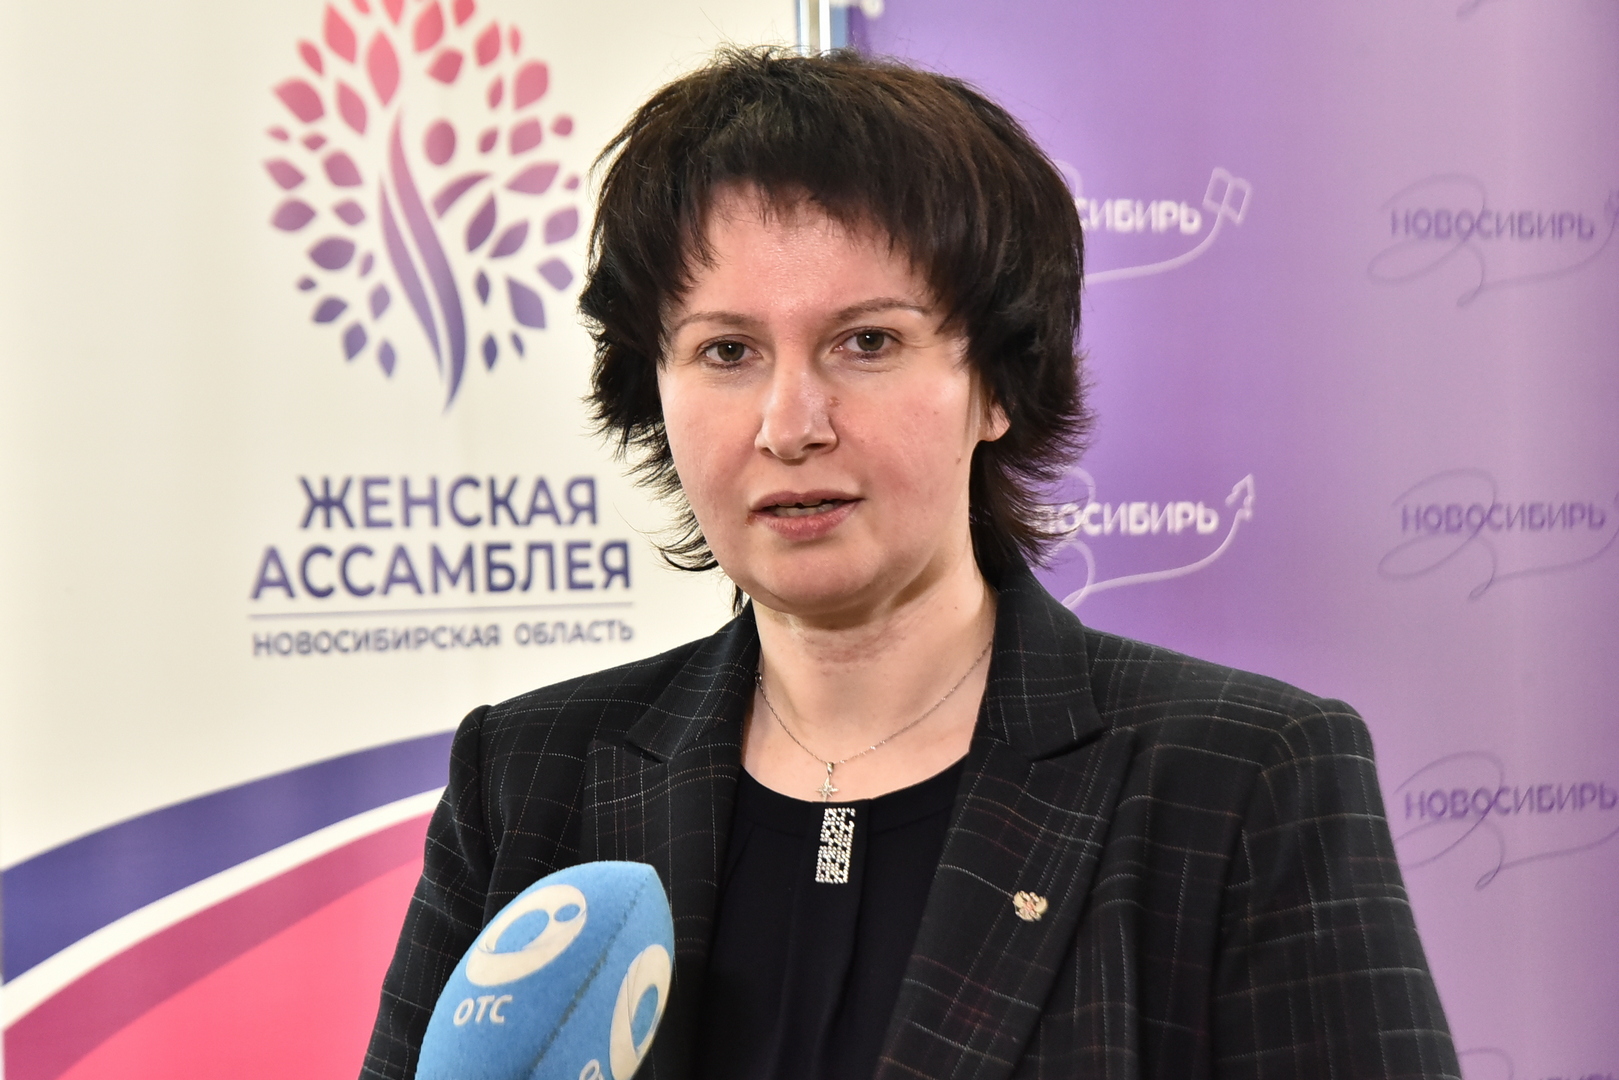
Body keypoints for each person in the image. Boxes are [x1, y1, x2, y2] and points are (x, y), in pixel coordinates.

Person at [361, 48, 1459, 1080]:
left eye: (867, 342)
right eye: (726, 351)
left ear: (997, 385)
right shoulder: (529, 776)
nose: (790, 424)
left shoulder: (1240, 778)